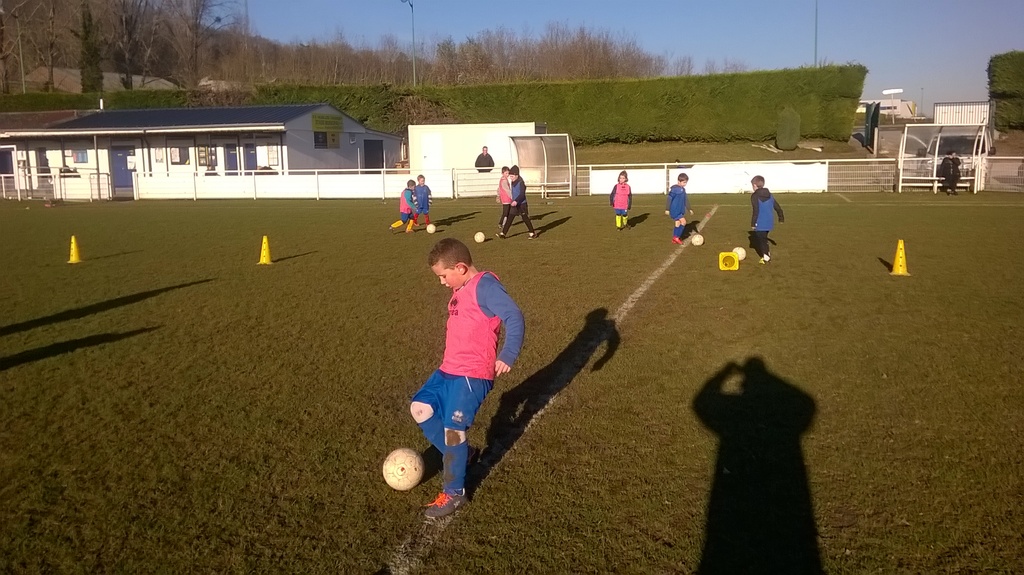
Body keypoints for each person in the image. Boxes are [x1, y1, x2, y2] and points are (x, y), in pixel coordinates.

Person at [410, 238, 525, 518]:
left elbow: (514, 316)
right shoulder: (460, 288)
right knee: (420, 408)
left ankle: (454, 493)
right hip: (448, 369)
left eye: (443, 275)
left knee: (453, 429)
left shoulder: (485, 286)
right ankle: (466, 454)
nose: (442, 282)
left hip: (472, 374)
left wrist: (508, 354)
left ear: (460, 267)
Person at [750, 175, 785, 264]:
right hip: (769, 222)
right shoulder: (770, 195)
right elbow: (777, 207)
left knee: (761, 240)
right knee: (763, 238)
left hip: (760, 222)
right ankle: (767, 253)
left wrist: (753, 223)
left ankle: (766, 257)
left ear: (754, 185)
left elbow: (756, 210)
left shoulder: (754, 196)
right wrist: (781, 217)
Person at [498, 165, 538, 239]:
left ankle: (532, 233)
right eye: (510, 176)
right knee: (510, 218)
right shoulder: (513, 182)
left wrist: (516, 201)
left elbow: (522, 194)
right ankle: (503, 233)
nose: (511, 178)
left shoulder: (521, 182)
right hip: (514, 204)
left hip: (522, 204)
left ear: (516, 175)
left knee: (525, 219)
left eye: (512, 176)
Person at [666, 173, 694, 245]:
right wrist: (667, 209)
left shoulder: (683, 190)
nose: (685, 184)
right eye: (684, 182)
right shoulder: (674, 190)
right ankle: (677, 237)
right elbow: (669, 199)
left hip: (680, 210)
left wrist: (689, 209)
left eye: (686, 182)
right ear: (679, 181)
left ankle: (674, 238)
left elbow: (685, 200)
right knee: (683, 222)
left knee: (678, 223)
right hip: (675, 210)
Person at [496, 166, 512, 230]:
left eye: (508, 173)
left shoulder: (502, 179)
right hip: (506, 198)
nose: (507, 175)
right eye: (506, 173)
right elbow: (507, 190)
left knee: (507, 211)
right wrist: (512, 197)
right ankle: (502, 223)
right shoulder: (504, 181)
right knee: (506, 212)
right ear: (502, 173)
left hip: (505, 198)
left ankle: (504, 223)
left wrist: (498, 195)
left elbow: (499, 188)